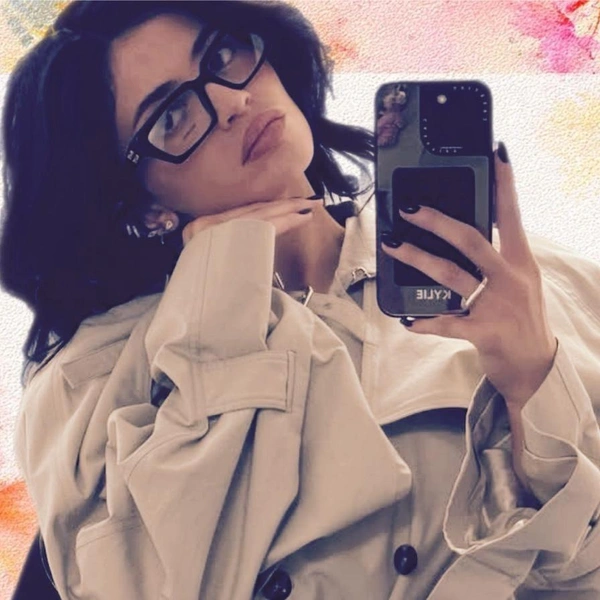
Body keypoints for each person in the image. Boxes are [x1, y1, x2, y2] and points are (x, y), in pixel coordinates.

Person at [2, 1, 600, 598]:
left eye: (222, 55)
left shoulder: (531, 286)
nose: (232, 101)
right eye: (173, 116)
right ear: (143, 204)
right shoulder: (89, 382)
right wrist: (216, 311)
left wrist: (534, 380)